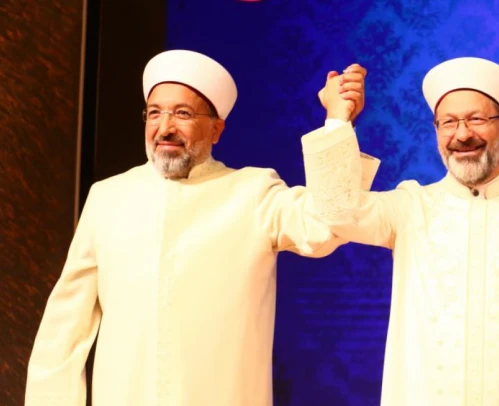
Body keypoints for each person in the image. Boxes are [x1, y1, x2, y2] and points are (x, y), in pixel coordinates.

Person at [25, 50, 373, 406]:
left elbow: (327, 224)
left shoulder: (253, 192)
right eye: (155, 113)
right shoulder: (108, 198)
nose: (165, 128)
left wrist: (337, 121)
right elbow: (63, 333)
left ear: (216, 129)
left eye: (183, 114)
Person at [303, 58, 499, 405]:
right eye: (448, 123)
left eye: (476, 119)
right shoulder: (411, 207)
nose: (462, 135)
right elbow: (335, 212)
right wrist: (338, 120)